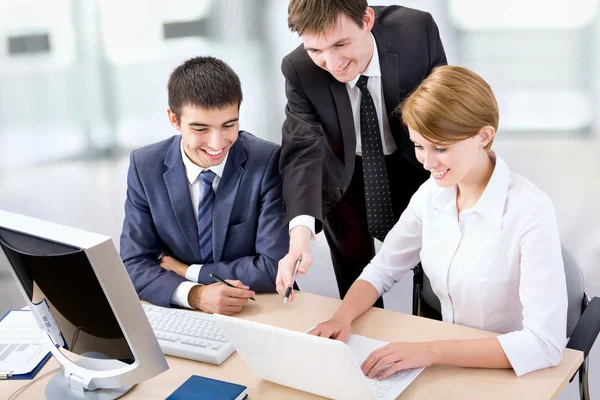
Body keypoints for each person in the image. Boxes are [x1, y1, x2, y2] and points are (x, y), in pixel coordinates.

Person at [308, 65, 568, 377]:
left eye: (441, 148)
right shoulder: (432, 194)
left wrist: (430, 351)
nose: (428, 162)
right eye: (419, 146)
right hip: (448, 363)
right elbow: (382, 269)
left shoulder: (530, 211)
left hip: (507, 369)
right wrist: (342, 317)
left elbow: (544, 344)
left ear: (483, 136)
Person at [276, 0, 447, 307]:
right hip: (346, 171)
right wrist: (299, 237)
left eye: (341, 43)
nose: (332, 61)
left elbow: (444, 109)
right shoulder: (299, 69)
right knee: (354, 268)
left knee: (436, 263)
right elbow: (303, 149)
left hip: (415, 161)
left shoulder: (416, 32)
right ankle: (364, 341)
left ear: (367, 19)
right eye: (316, 50)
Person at [120, 56, 288, 315]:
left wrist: (189, 272)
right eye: (201, 129)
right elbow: (133, 262)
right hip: (180, 311)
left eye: (229, 125)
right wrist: (195, 295)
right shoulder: (145, 166)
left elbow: (274, 267)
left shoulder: (267, 162)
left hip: (261, 308)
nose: (217, 143)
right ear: (174, 120)